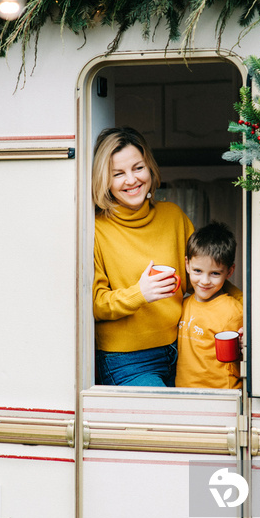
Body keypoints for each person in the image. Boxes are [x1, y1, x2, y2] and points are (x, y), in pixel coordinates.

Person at [92, 126, 194, 386]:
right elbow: (94, 303)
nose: (131, 180)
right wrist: (140, 293)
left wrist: (242, 311)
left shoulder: (173, 216)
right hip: (125, 359)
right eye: (118, 174)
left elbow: (205, 274)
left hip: (182, 347)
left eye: (138, 168)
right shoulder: (95, 229)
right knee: (162, 423)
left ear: (150, 168)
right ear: (104, 180)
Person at [175, 221, 243, 389]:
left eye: (214, 273)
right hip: (185, 393)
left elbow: (243, 360)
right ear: (187, 265)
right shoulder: (182, 304)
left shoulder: (233, 312)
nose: (204, 281)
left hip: (222, 395)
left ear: (229, 271)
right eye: (198, 271)